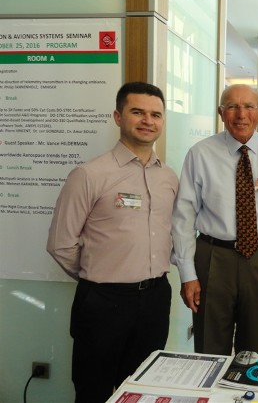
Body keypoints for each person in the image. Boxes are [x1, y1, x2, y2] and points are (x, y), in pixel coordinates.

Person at [46, 82, 179, 403]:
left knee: (143, 389)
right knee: (93, 390)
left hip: (155, 299)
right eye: (138, 112)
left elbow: (173, 232)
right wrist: (98, 273)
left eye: (155, 114)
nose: (148, 120)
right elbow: (61, 243)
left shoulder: (170, 178)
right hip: (102, 301)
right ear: (118, 116)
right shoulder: (89, 174)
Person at [171, 84, 258, 355]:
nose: (240, 114)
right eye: (232, 106)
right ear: (221, 113)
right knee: (209, 348)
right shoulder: (200, 154)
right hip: (213, 259)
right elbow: (183, 218)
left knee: (255, 351)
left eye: (248, 107)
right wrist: (187, 274)